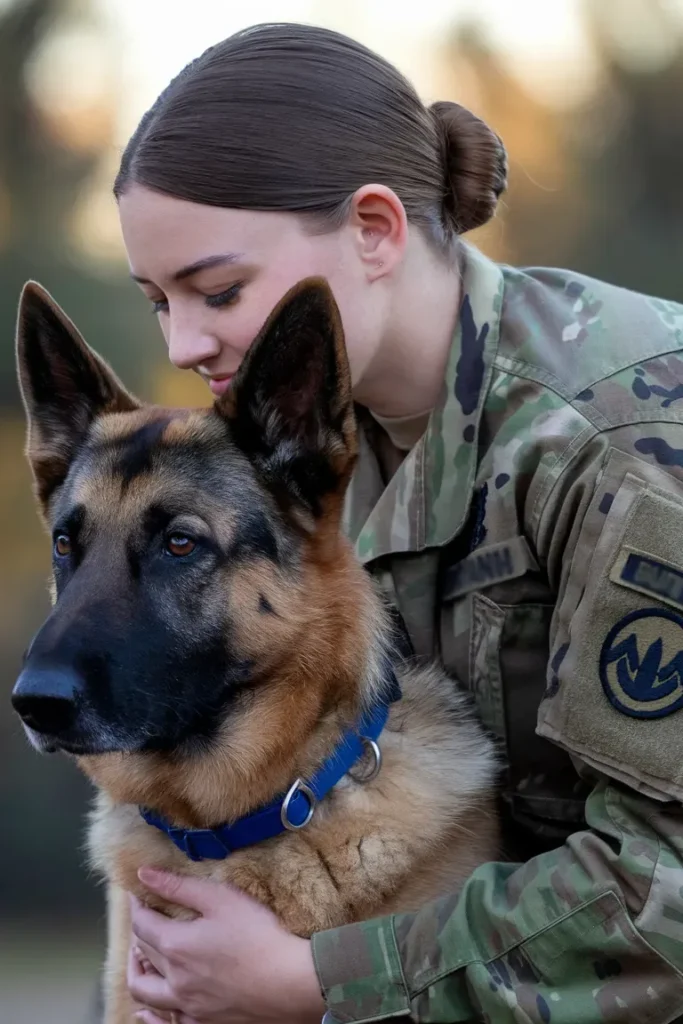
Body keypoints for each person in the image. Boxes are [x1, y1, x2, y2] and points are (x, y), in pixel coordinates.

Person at [114, 22, 683, 1024]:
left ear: (375, 228)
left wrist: (316, 981)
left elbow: (664, 893)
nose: (183, 343)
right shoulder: (309, 454)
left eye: (218, 290)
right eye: (157, 300)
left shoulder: (621, 440)